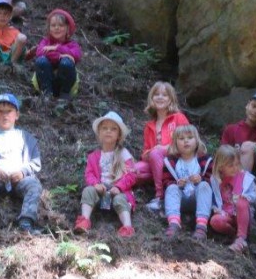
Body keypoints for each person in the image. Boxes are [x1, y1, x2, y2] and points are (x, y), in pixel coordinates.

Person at [0, 93, 42, 237]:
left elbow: (36, 162)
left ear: (17, 114)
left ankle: (26, 222)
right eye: (1, 111)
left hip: (20, 179)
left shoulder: (26, 138)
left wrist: (22, 172)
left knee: (34, 185)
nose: (5, 116)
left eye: (9, 111)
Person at [74, 111, 137, 237]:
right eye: (105, 128)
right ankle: (84, 220)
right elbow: (89, 174)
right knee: (88, 191)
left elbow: (131, 175)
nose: (108, 131)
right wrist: (96, 184)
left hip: (118, 193)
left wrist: (119, 187)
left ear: (119, 135)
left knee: (120, 200)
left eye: (113, 129)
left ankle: (127, 227)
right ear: (99, 133)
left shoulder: (124, 154)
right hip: (101, 193)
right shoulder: (93, 156)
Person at [135, 82, 190, 211]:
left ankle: (160, 196)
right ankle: (161, 180)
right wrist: (150, 152)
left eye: (164, 95)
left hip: (177, 162)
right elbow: (145, 152)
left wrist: (164, 149)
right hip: (156, 162)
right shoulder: (149, 125)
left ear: (171, 99)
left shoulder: (179, 118)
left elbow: (189, 144)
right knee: (134, 170)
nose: (160, 97)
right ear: (152, 98)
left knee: (156, 153)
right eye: (156, 94)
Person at [163, 124, 213, 241]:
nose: (186, 141)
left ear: (197, 141)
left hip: (198, 199)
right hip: (180, 200)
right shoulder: (171, 162)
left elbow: (212, 182)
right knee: (171, 188)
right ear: (175, 143)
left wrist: (201, 179)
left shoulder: (205, 160)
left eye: (190, 138)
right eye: (181, 139)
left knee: (204, 185)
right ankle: (174, 223)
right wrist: (176, 183)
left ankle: (201, 226)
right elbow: (165, 181)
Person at [221, 91, 256, 188]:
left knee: (247, 146)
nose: (255, 111)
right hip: (235, 169)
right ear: (247, 105)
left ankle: (240, 187)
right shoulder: (231, 129)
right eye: (254, 106)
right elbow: (223, 153)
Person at [209, 145, 256, 253]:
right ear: (221, 167)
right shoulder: (215, 180)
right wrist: (216, 209)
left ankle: (241, 238)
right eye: (231, 165)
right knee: (215, 221)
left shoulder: (245, 177)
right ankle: (233, 235)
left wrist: (246, 197)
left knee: (241, 202)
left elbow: (253, 196)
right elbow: (214, 199)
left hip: (243, 215)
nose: (235, 168)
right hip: (227, 215)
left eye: (237, 164)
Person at [34, 9, 81, 105]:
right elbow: (39, 52)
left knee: (66, 62)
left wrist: (57, 48)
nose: (57, 28)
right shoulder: (45, 41)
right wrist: (59, 56)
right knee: (41, 61)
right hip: (45, 81)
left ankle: (64, 94)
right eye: (53, 25)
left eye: (61, 25)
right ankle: (46, 94)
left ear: (67, 28)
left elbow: (76, 55)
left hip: (65, 83)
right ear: (49, 28)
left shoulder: (72, 44)